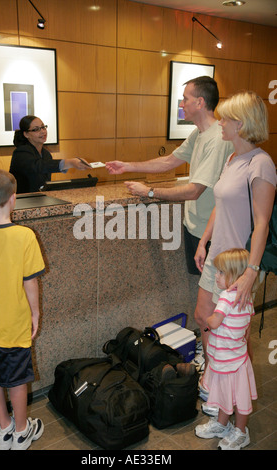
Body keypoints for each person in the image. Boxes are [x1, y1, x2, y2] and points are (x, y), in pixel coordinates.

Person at [106, 76, 233, 275]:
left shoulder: (217, 139)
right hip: (194, 226)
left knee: (212, 291)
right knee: (200, 288)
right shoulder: (198, 133)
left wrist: (149, 192)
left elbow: (194, 191)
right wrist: (127, 166)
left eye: (185, 99)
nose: (181, 104)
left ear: (200, 102)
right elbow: (169, 161)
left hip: (209, 232)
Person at [194, 91, 276, 393]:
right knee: (204, 317)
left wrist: (250, 272)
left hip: (240, 264)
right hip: (217, 255)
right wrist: (204, 241)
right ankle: (214, 379)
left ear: (241, 123)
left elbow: (262, 223)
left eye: (226, 118)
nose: (221, 124)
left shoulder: (261, 164)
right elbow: (220, 203)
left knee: (235, 335)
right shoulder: (233, 158)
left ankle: (235, 393)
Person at [0, 169, 45, 450]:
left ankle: (3, 429)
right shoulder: (24, 236)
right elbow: (30, 282)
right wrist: (35, 313)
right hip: (14, 326)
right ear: (14, 199)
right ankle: (21, 432)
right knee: (17, 381)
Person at [195, 248, 258, 450]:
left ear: (235, 276)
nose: (216, 275)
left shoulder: (226, 297)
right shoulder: (247, 298)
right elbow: (246, 327)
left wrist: (207, 320)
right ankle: (223, 425)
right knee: (231, 396)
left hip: (227, 360)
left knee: (236, 399)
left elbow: (214, 322)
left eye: (221, 272)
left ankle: (241, 433)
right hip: (236, 359)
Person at [10, 115, 90, 193]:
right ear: (26, 134)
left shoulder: (46, 154)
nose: (42, 131)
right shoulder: (21, 152)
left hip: (41, 200)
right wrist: (70, 162)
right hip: (23, 202)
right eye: (36, 129)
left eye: (43, 127)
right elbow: (40, 166)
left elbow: (44, 183)